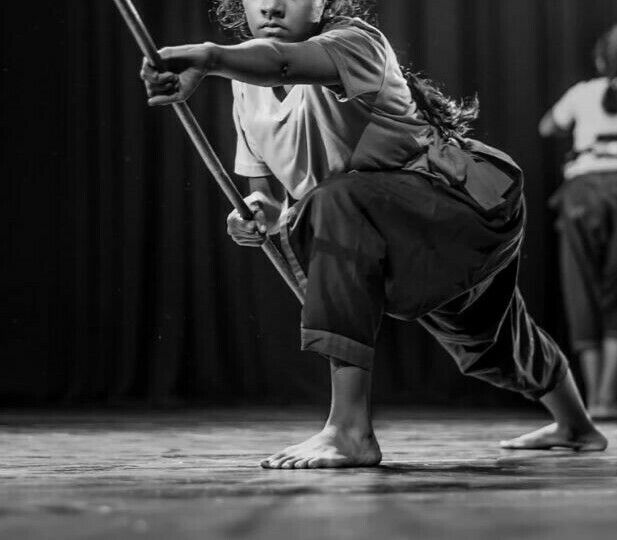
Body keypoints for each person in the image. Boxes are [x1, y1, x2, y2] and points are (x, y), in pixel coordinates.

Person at [141, 0, 607, 468]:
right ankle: (577, 427)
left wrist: (207, 57)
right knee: (491, 342)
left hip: (463, 205)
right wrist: (253, 214)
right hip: (390, 228)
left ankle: (349, 430)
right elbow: (269, 197)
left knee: (333, 200)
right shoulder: (246, 84)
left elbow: (282, 63)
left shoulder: (354, 42)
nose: (273, 5)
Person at [539, 25, 617, 421]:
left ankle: (593, 400)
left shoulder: (584, 92)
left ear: (601, 58)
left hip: (584, 190)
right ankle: (607, 397)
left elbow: (547, 126)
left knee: (583, 289)